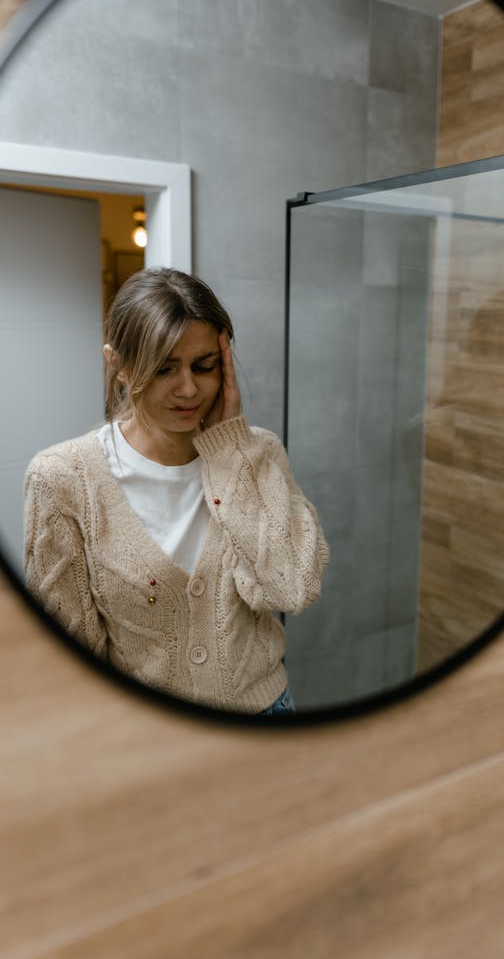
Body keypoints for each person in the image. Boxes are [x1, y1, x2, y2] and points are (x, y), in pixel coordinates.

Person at [23, 267, 329, 715]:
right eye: (165, 367)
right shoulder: (63, 479)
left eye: (204, 366)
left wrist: (229, 452)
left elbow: (293, 590)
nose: (188, 389)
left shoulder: (256, 452)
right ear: (119, 365)